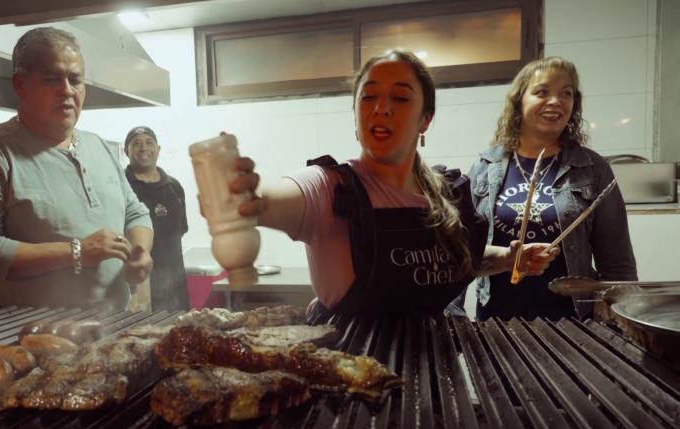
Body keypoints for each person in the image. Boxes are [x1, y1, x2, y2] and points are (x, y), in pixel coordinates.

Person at [220, 50, 557, 317]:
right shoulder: (330, 187)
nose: (381, 108)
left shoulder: (446, 191)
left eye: (400, 98)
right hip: (349, 379)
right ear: (355, 114)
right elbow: (268, 201)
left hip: (434, 378)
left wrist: (509, 259)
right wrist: (248, 196)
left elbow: (451, 257)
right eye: (368, 98)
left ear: (426, 119)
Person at [0, 27, 153, 310]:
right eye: (51, 79)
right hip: (32, 338)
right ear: (20, 85)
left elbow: (134, 212)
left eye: (75, 80)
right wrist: (76, 252)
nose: (66, 90)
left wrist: (139, 251)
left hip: (111, 329)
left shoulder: (100, 148)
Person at [468, 56, 637, 320]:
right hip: (496, 320)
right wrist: (450, 316)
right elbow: (459, 253)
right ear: (518, 100)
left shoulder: (592, 168)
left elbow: (618, 262)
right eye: (542, 92)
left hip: (574, 323)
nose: (556, 101)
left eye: (566, 93)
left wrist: (620, 319)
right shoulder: (485, 166)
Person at [123, 126, 190, 311]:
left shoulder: (174, 187)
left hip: (174, 283)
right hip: (136, 285)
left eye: (149, 142)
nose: (143, 148)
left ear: (158, 149)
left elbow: (180, 230)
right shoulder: (120, 186)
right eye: (136, 144)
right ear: (125, 151)